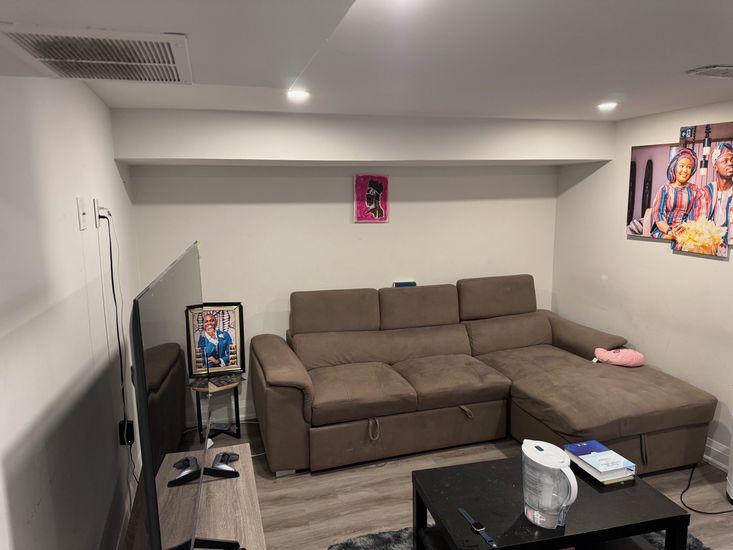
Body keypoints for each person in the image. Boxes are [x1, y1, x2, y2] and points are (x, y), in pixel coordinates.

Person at [650, 148, 699, 239]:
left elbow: (696, 214)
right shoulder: (664, 190)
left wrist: (686, 227)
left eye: (689, 167)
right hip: (665, 230)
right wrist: (670, 231)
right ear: (675, 167)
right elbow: (658, 215)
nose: (685, 170)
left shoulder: (695, 190)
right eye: (682, 166)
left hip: (687, 230)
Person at [694, 142, 733, 254]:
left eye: (732, 160)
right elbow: (698, 226)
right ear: (715, 166)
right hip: (710, 253)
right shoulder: (705, 193)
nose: (730, 163)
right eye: (725, 161)